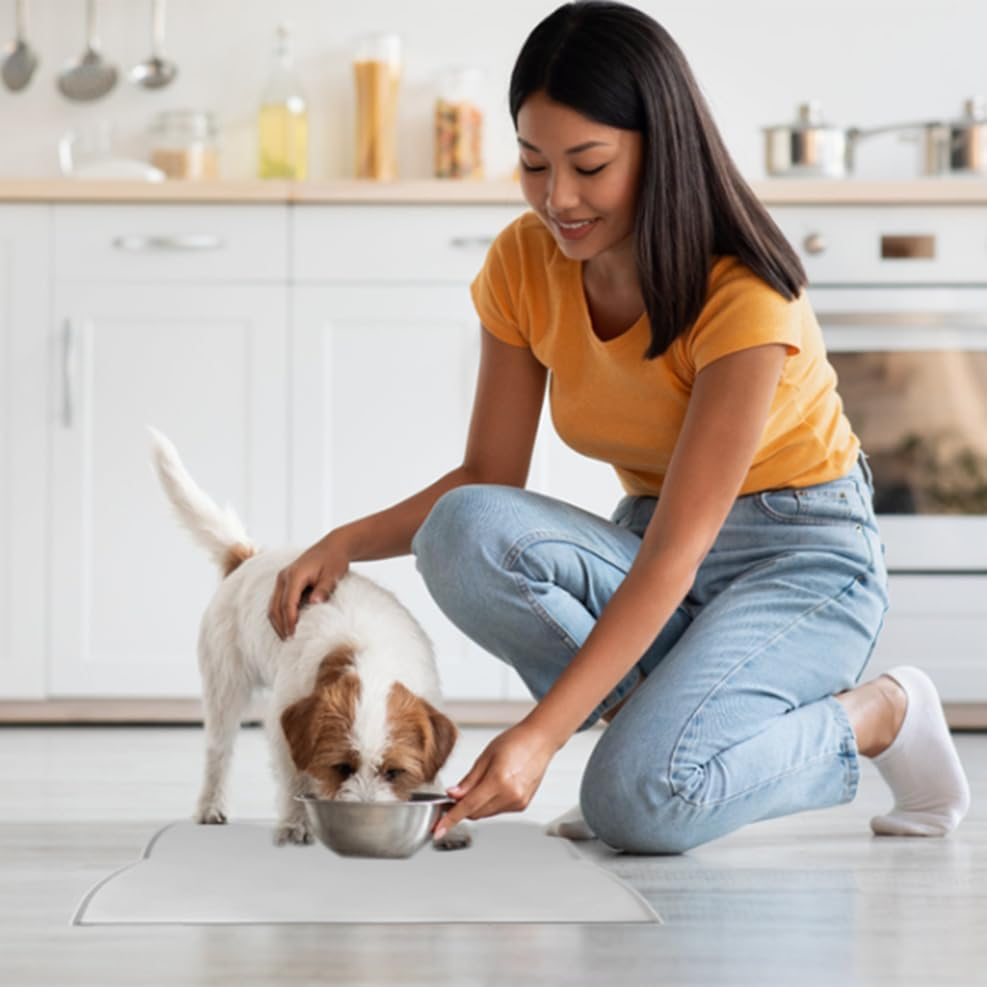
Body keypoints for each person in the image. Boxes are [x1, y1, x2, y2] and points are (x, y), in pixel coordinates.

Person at [268, 1, 970, 853]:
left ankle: (878, 714)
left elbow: (681, 547)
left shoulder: (742, 292)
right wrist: (343, 540)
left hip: (798, 560)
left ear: (658, 148)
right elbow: (486, 476)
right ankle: (657, 746)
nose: (557, 198)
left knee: (637, 807)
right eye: (533, 163)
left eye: (588, 165)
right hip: (648, 541)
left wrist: (541, 734)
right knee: (462, 529)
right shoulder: (525, 264)